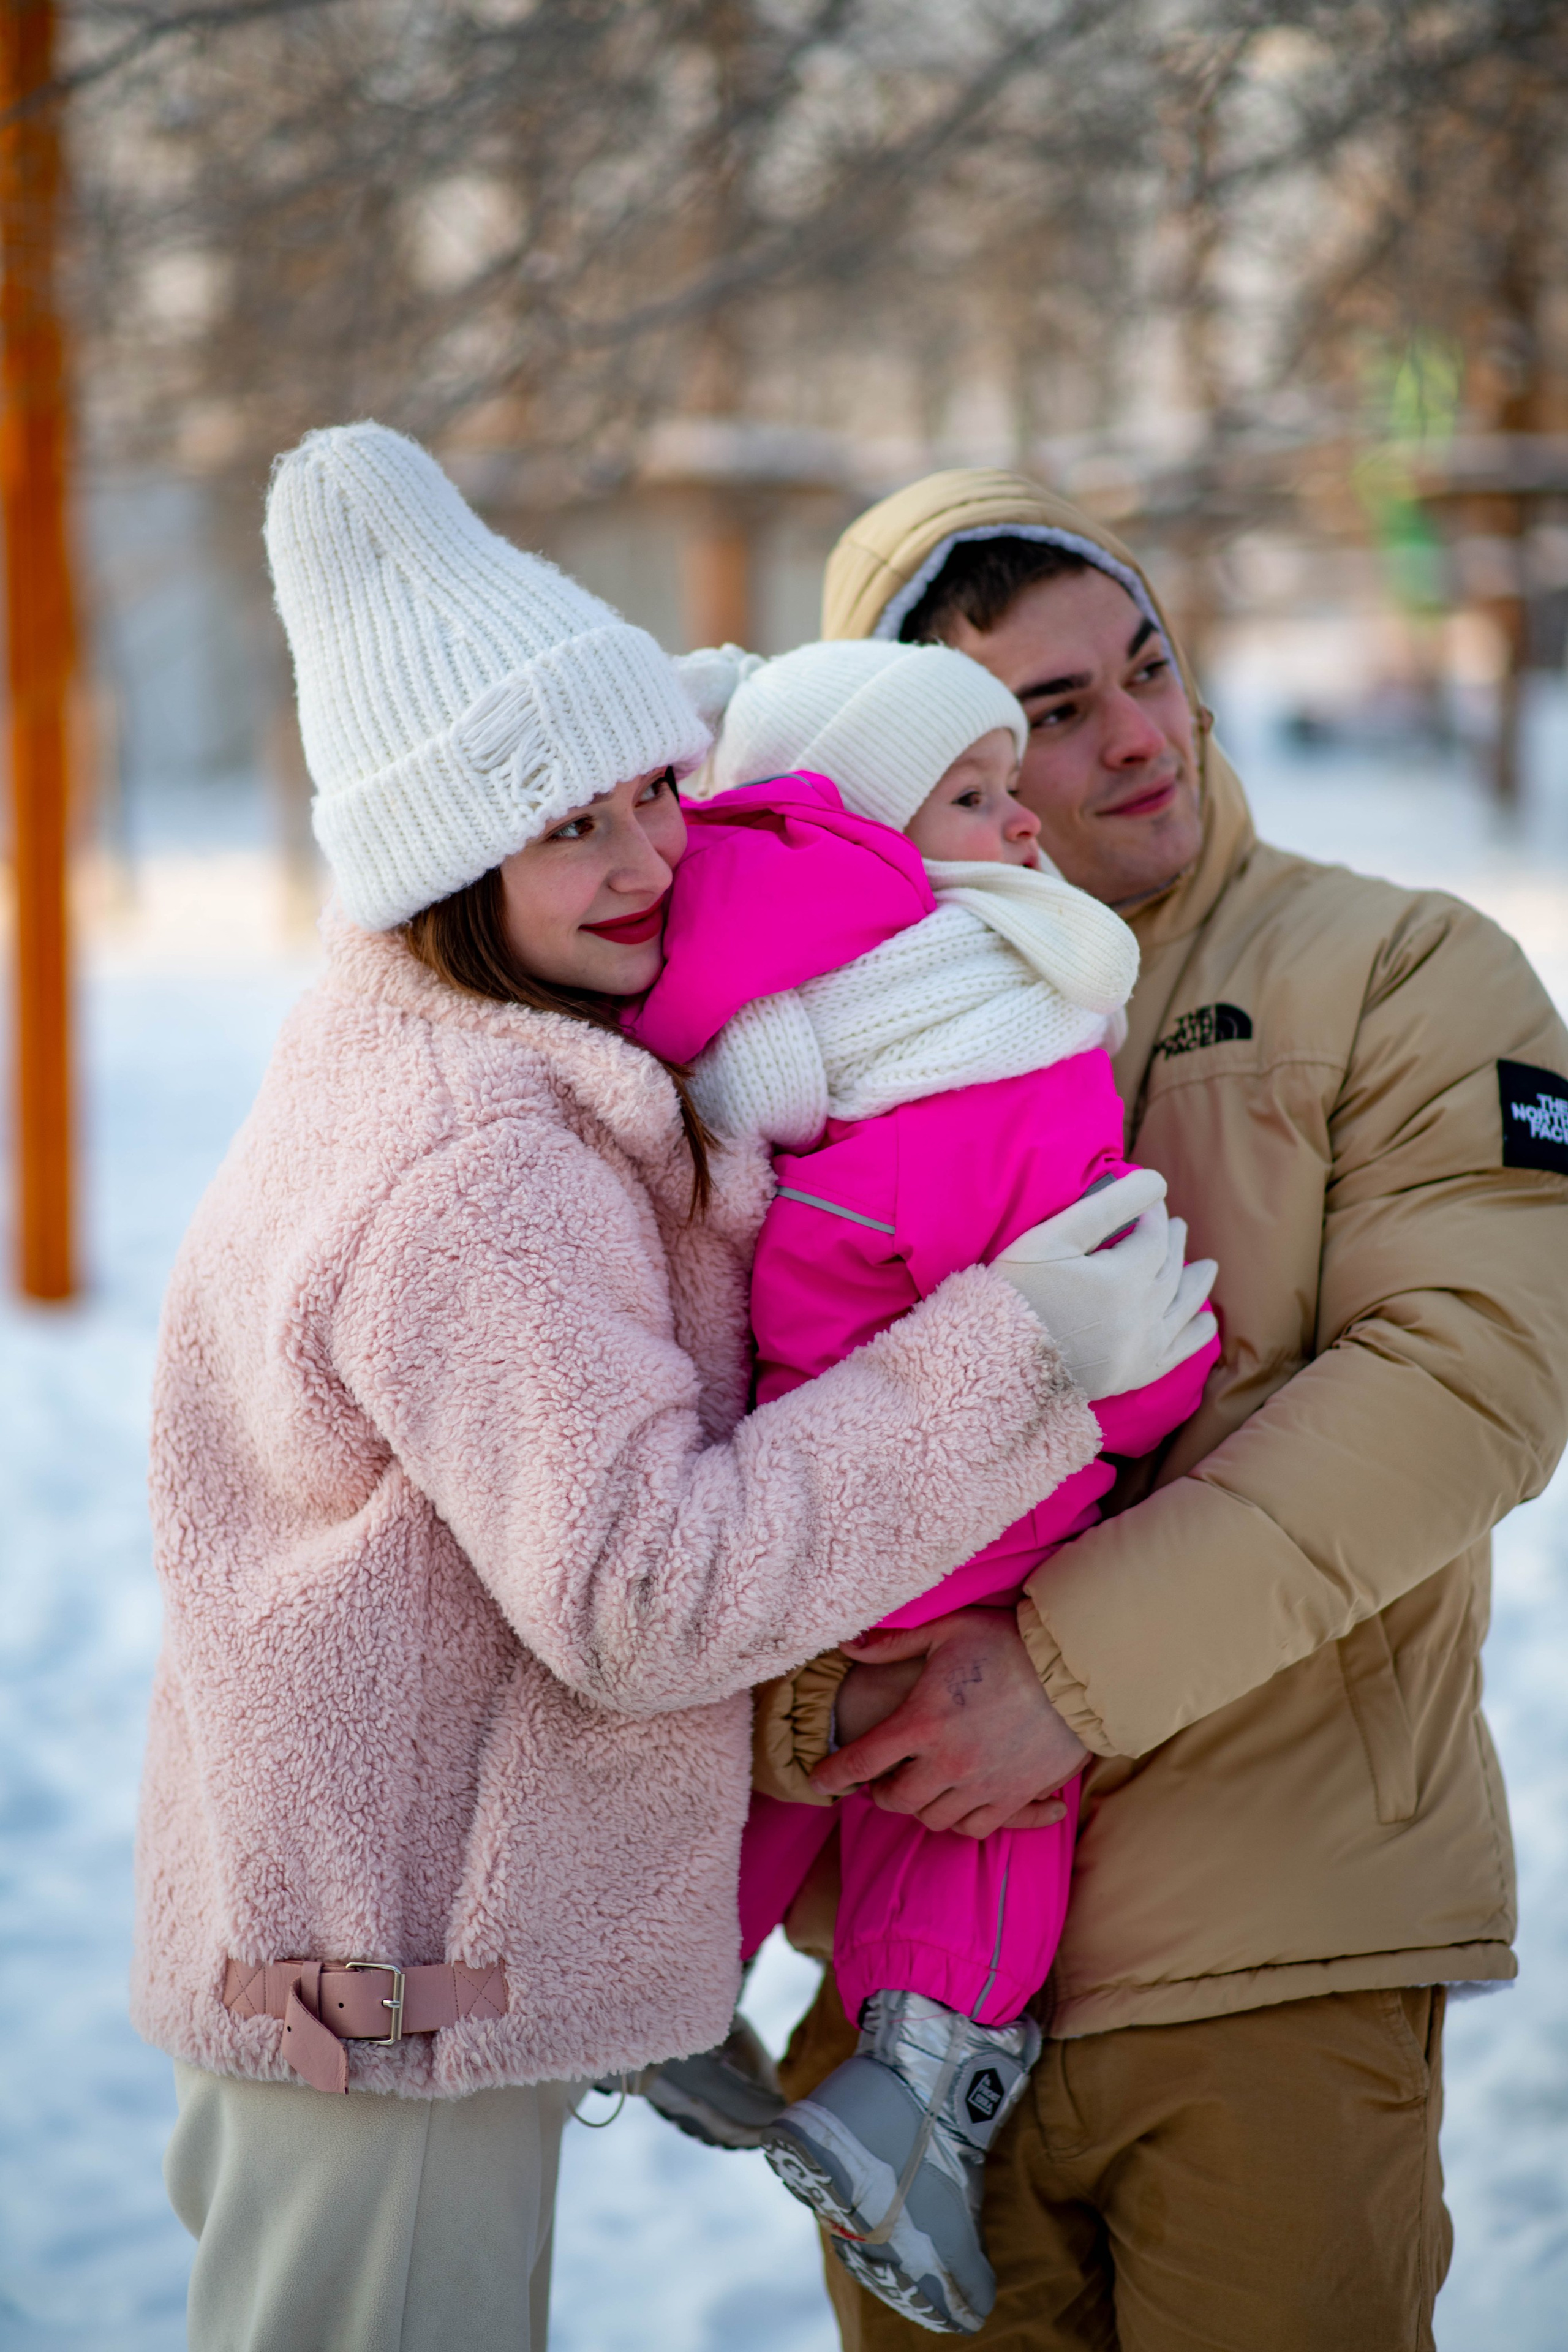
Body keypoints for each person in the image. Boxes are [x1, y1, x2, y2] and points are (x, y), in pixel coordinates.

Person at [130, 425, 1198, 2352]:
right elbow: (647, 1599)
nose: (643, 860)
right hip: (396, 2023)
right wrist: (1022, 1351)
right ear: (446, 858)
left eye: (650, 793)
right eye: (564, 825)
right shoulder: (484, 1167)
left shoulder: (440, 1048)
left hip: (365, 1963)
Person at [756, 470, 1568, 2351]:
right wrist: (829, 1718)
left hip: (1268, 1964)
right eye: (1049, 715)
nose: (1140, 735)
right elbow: (717, 1441)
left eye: (1148, 667)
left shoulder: (1397, 968)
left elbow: (1475, 1378)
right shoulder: (796, 1055)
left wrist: (1058, 1678)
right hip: (907, 2007)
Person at [624, 636, 1219, 2334]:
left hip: (815, 1482)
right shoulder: (999, 1011)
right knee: (980, 1791)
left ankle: (677, 1976)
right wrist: (1153, 1386)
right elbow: (1085, 1266)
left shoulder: (783, 1039)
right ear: (872, 828)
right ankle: (910, 2088)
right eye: (972, 795)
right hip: (979, 1471)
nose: (1020, 826)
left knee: (815, 1743)